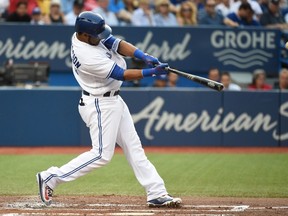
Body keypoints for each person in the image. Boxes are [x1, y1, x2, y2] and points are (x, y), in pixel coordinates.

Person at [36, 11, 182, 208]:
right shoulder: (86, 56)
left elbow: (115, 43)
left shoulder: (85, 35)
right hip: (99, 104)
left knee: (134, 147)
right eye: (97, 35)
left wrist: (143, 55)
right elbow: (121, 74)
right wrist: (152, 72)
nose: (101, 37)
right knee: (101, 155)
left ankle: (156, 192)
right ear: (86, 36)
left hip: (113, 101)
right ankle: (51, 177)